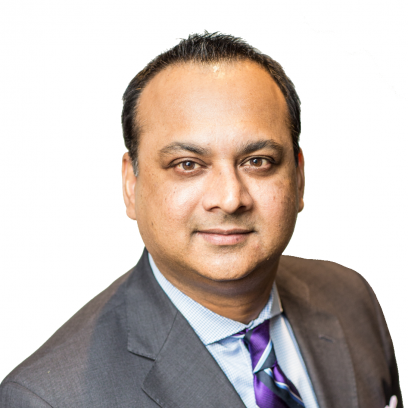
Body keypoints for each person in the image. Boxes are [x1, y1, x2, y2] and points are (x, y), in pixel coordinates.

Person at [0, 32, 403, 408]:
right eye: (188, 164)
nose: (230, 199)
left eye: (258, 161)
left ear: (298, 177)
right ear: (131, 184)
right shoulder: (46, 399)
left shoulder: (351, 298)